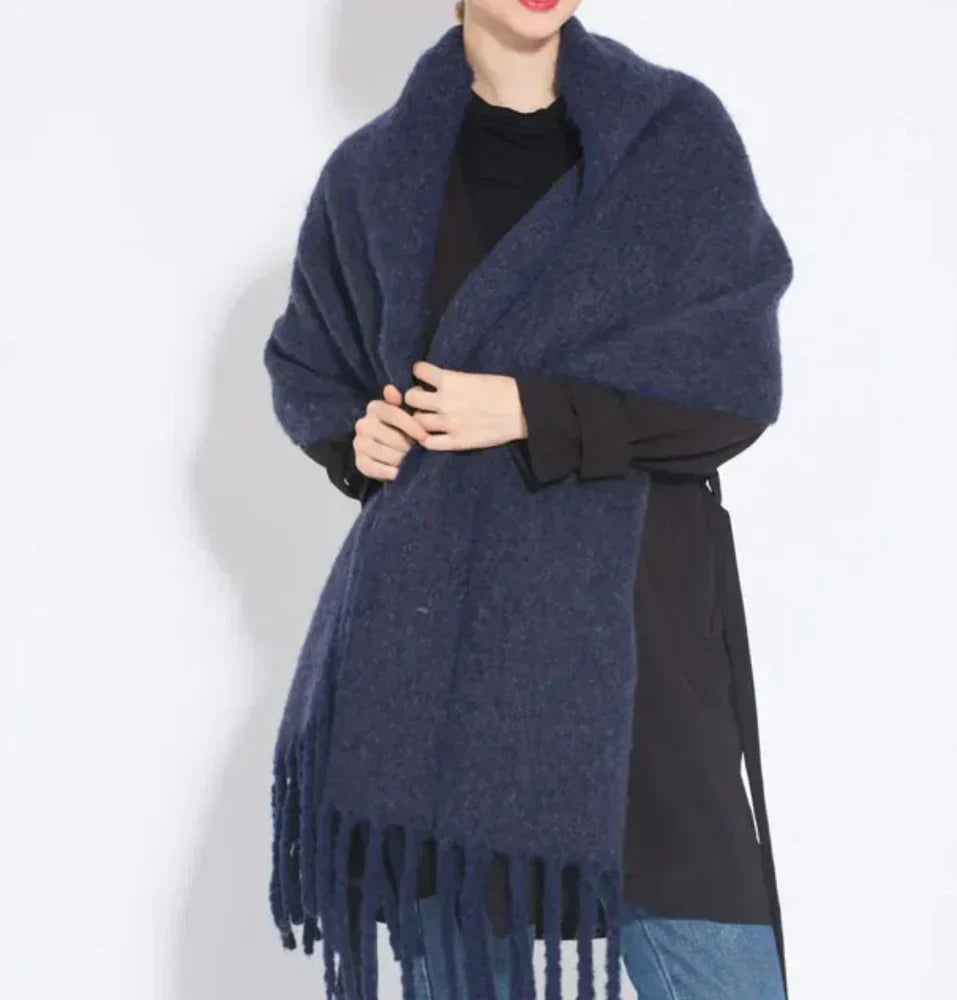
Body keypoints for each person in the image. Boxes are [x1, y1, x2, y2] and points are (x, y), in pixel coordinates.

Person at [268, 3, 792, 999]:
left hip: (634, 657)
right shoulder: (374, 173)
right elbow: (313, 364)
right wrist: (357, 440)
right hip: (440, 659)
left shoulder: (670, 138)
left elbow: (736, 389)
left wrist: (528, 409)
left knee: (720, 966)